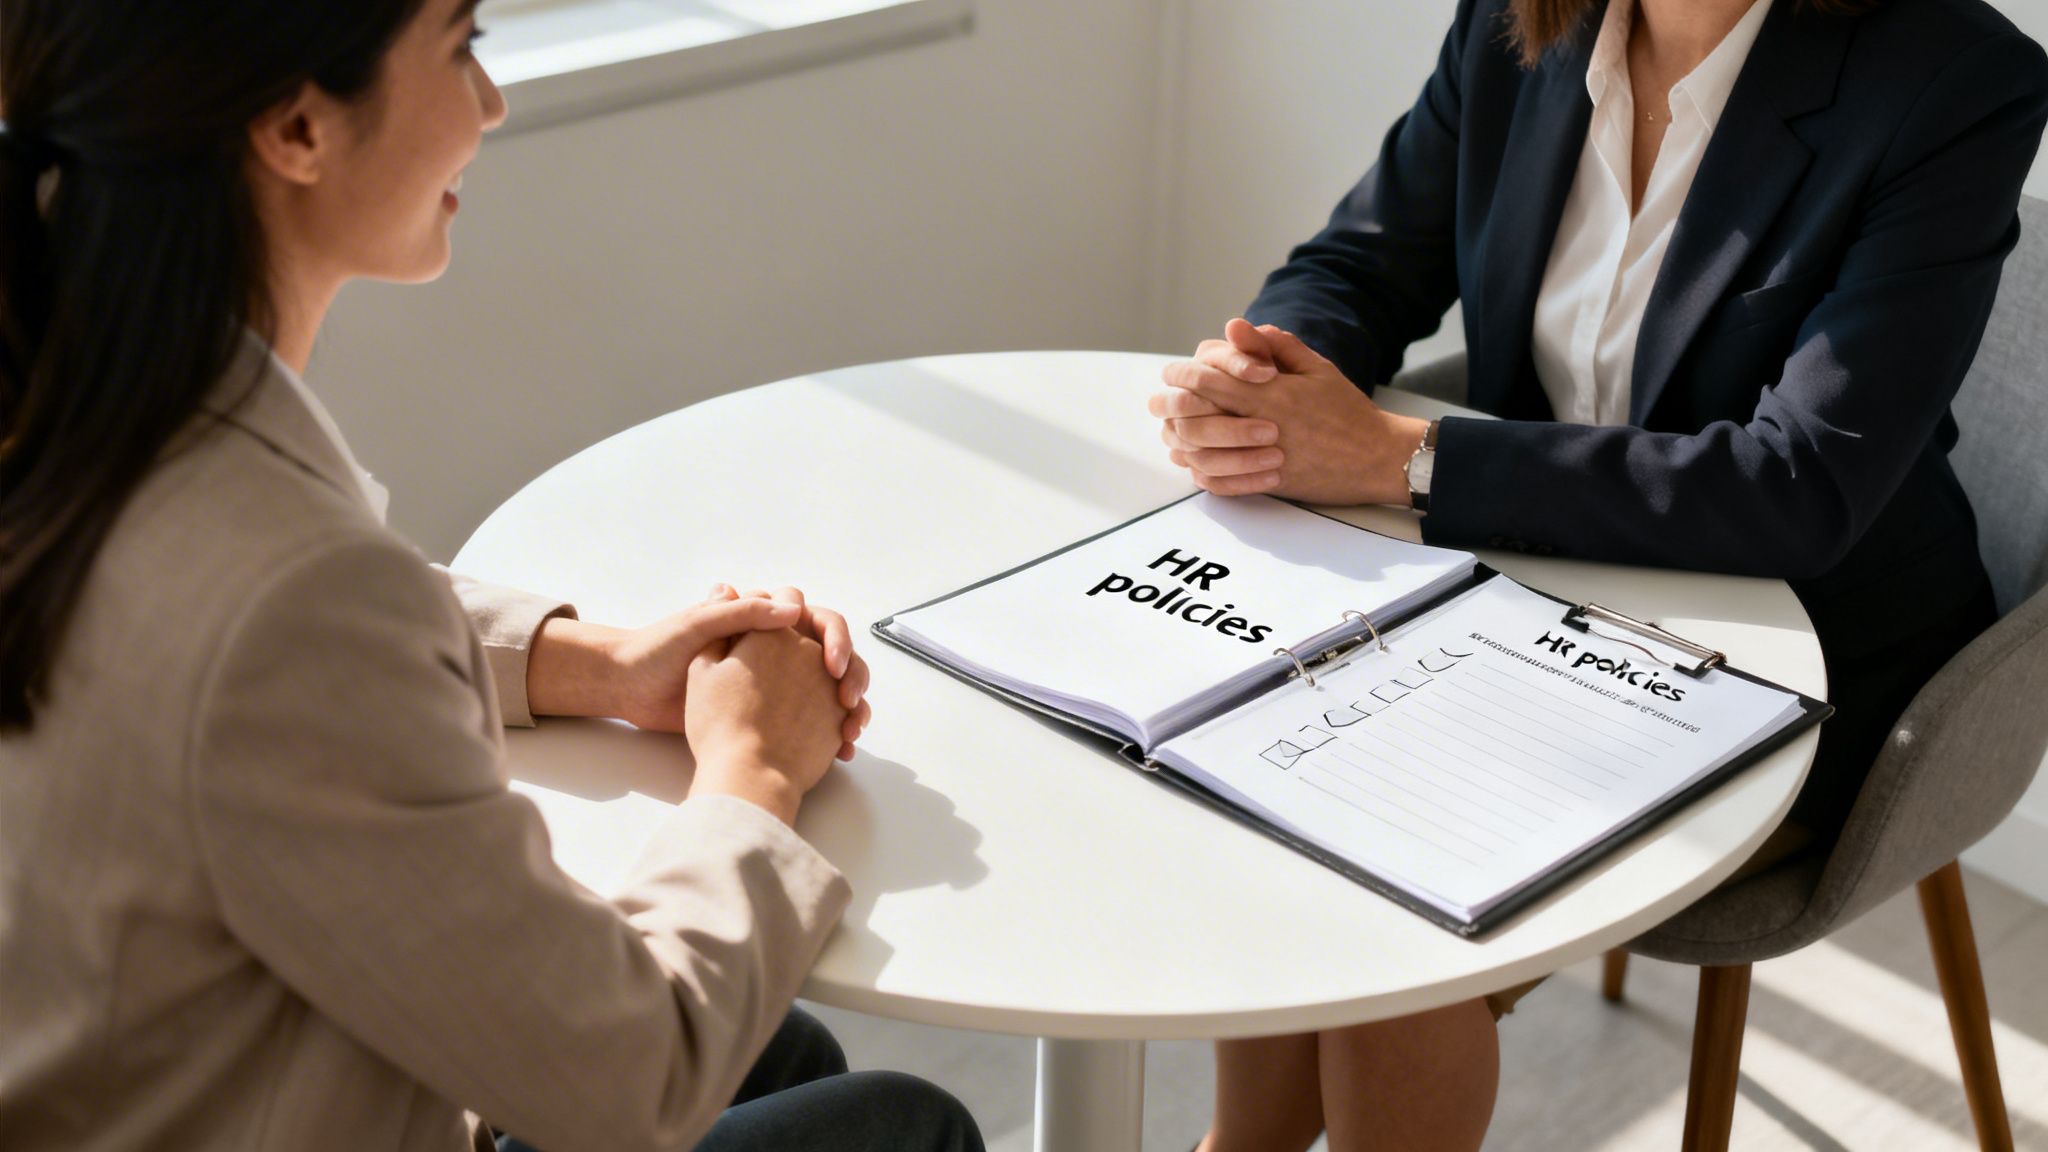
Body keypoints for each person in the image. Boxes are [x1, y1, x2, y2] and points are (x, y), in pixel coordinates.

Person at [0, 2, 983, 1150]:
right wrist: (756, 764)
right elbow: (632, 1076)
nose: (492, 100)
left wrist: (603, 666)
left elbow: (220, 623)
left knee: (784, 1050)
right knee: (905, 1127)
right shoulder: (292, 599)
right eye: (461, 42)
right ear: (298, 128)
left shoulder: (71, 401)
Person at [1148, 0, 2048, 1148]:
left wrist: (1396, 457)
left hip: (1806, 650)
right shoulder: (1515, 23)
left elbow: (1801, 486)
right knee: (1272, 784)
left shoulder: (1954, 77)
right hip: (1524, 592)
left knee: (1396, 890)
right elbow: (1362, 263)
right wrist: (1269, 382)